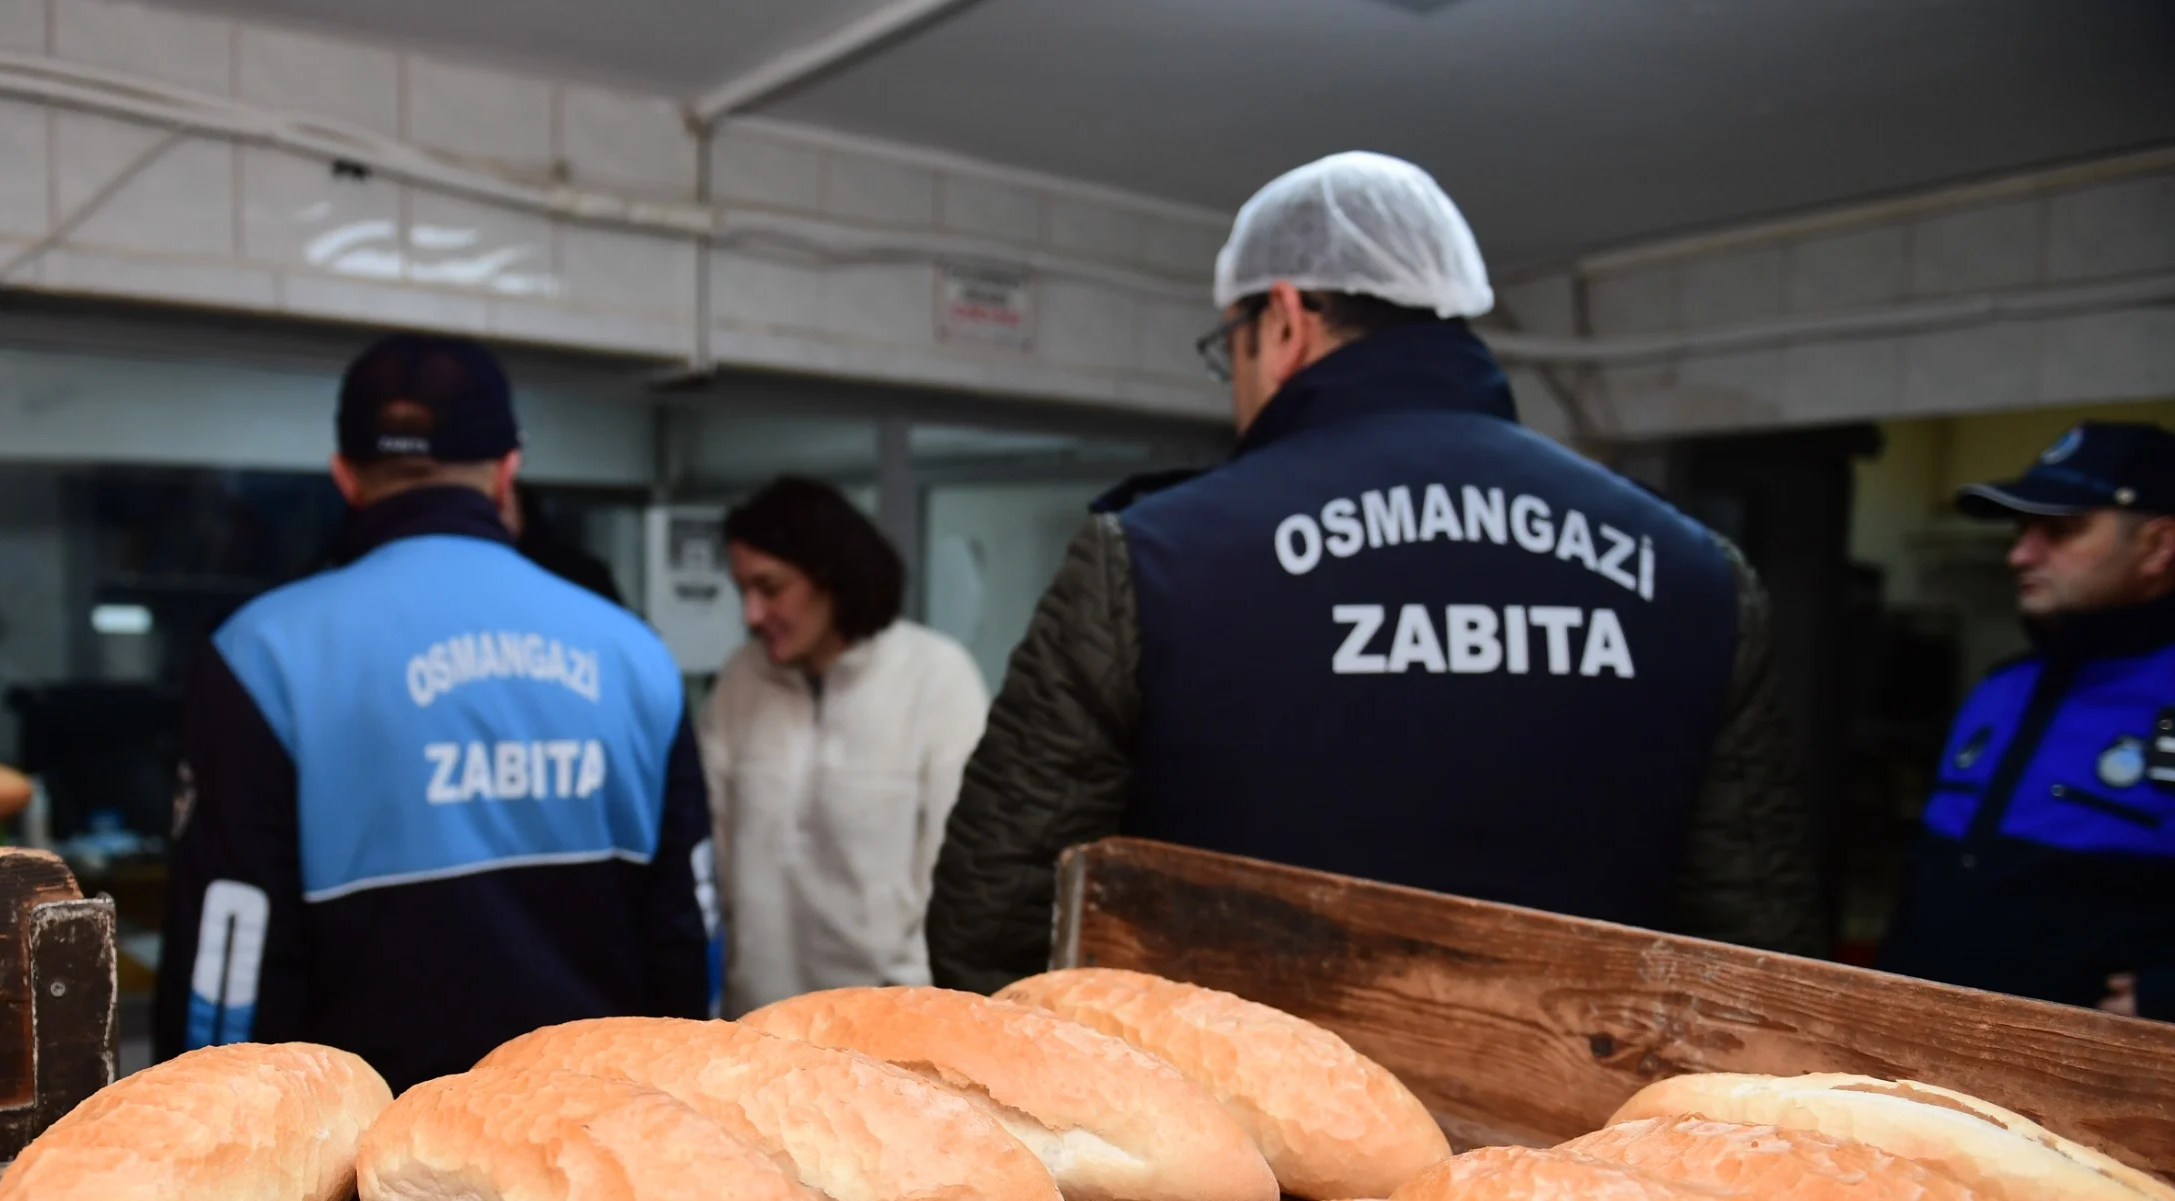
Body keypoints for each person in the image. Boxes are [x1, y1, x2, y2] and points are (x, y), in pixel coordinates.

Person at [927, 151, 1822, 992]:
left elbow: (997, 923)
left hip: (1266, 1145)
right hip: (1583, 1144)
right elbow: (1764, 958)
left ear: (1283, 319)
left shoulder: (1153, 557)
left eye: (1226, 350)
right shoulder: (1696, 573)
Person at [154, 333, 714, 1089]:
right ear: (509, 471)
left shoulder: (262, 657)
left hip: (371, 1174)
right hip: (595, 1150)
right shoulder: (633, 652)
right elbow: (687, 937)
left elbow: (229, 954)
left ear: (345, 476)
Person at [1878, 422, 2175, 1020]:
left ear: (2157, 546)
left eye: (2060, 531)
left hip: (2095, 1093)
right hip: (1927, 1057)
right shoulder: (2000, 687)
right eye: (2022, 531)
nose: (2020, 554)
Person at [700, 476, 988, 1013]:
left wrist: (913, 999)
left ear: (829, 576)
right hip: (761, 1024)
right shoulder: (740, 682)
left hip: (889, 1030)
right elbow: (713, 853)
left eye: (771, 588)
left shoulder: (935, 678)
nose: (752, 615)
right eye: (744, 591)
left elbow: (964, 874)